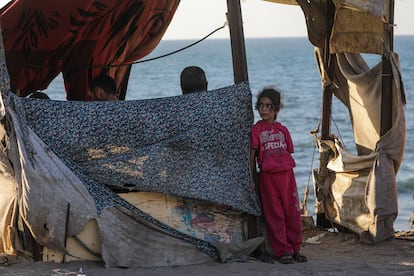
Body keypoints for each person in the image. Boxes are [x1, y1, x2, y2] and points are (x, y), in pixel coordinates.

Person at [249, 87, 306, 264]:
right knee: (275, 215)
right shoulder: (256, 130)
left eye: (268, 106)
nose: (264, 110)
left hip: (287, 177)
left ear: (276, 109)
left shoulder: (283, 130)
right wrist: (251, 178)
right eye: (261, 106)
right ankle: (283, 251)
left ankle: (295, 248)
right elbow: (251, 156)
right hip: (268, 178)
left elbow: (288, 150)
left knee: (293, 213)